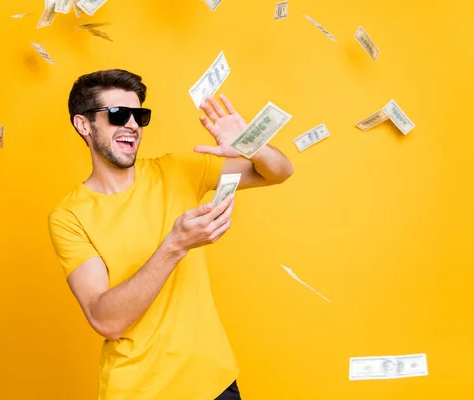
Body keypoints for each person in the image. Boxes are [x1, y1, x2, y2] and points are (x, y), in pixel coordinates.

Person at [47, 69, 294, 400]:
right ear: (84, 125)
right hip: (139, 391)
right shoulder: (69, 217)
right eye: (119, 115)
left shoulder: (176, 170)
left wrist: (249, 142)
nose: (132, 125)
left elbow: (278, 172)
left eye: (139, 116)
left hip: (213, 381)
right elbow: (106, 320)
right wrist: (175, 245)